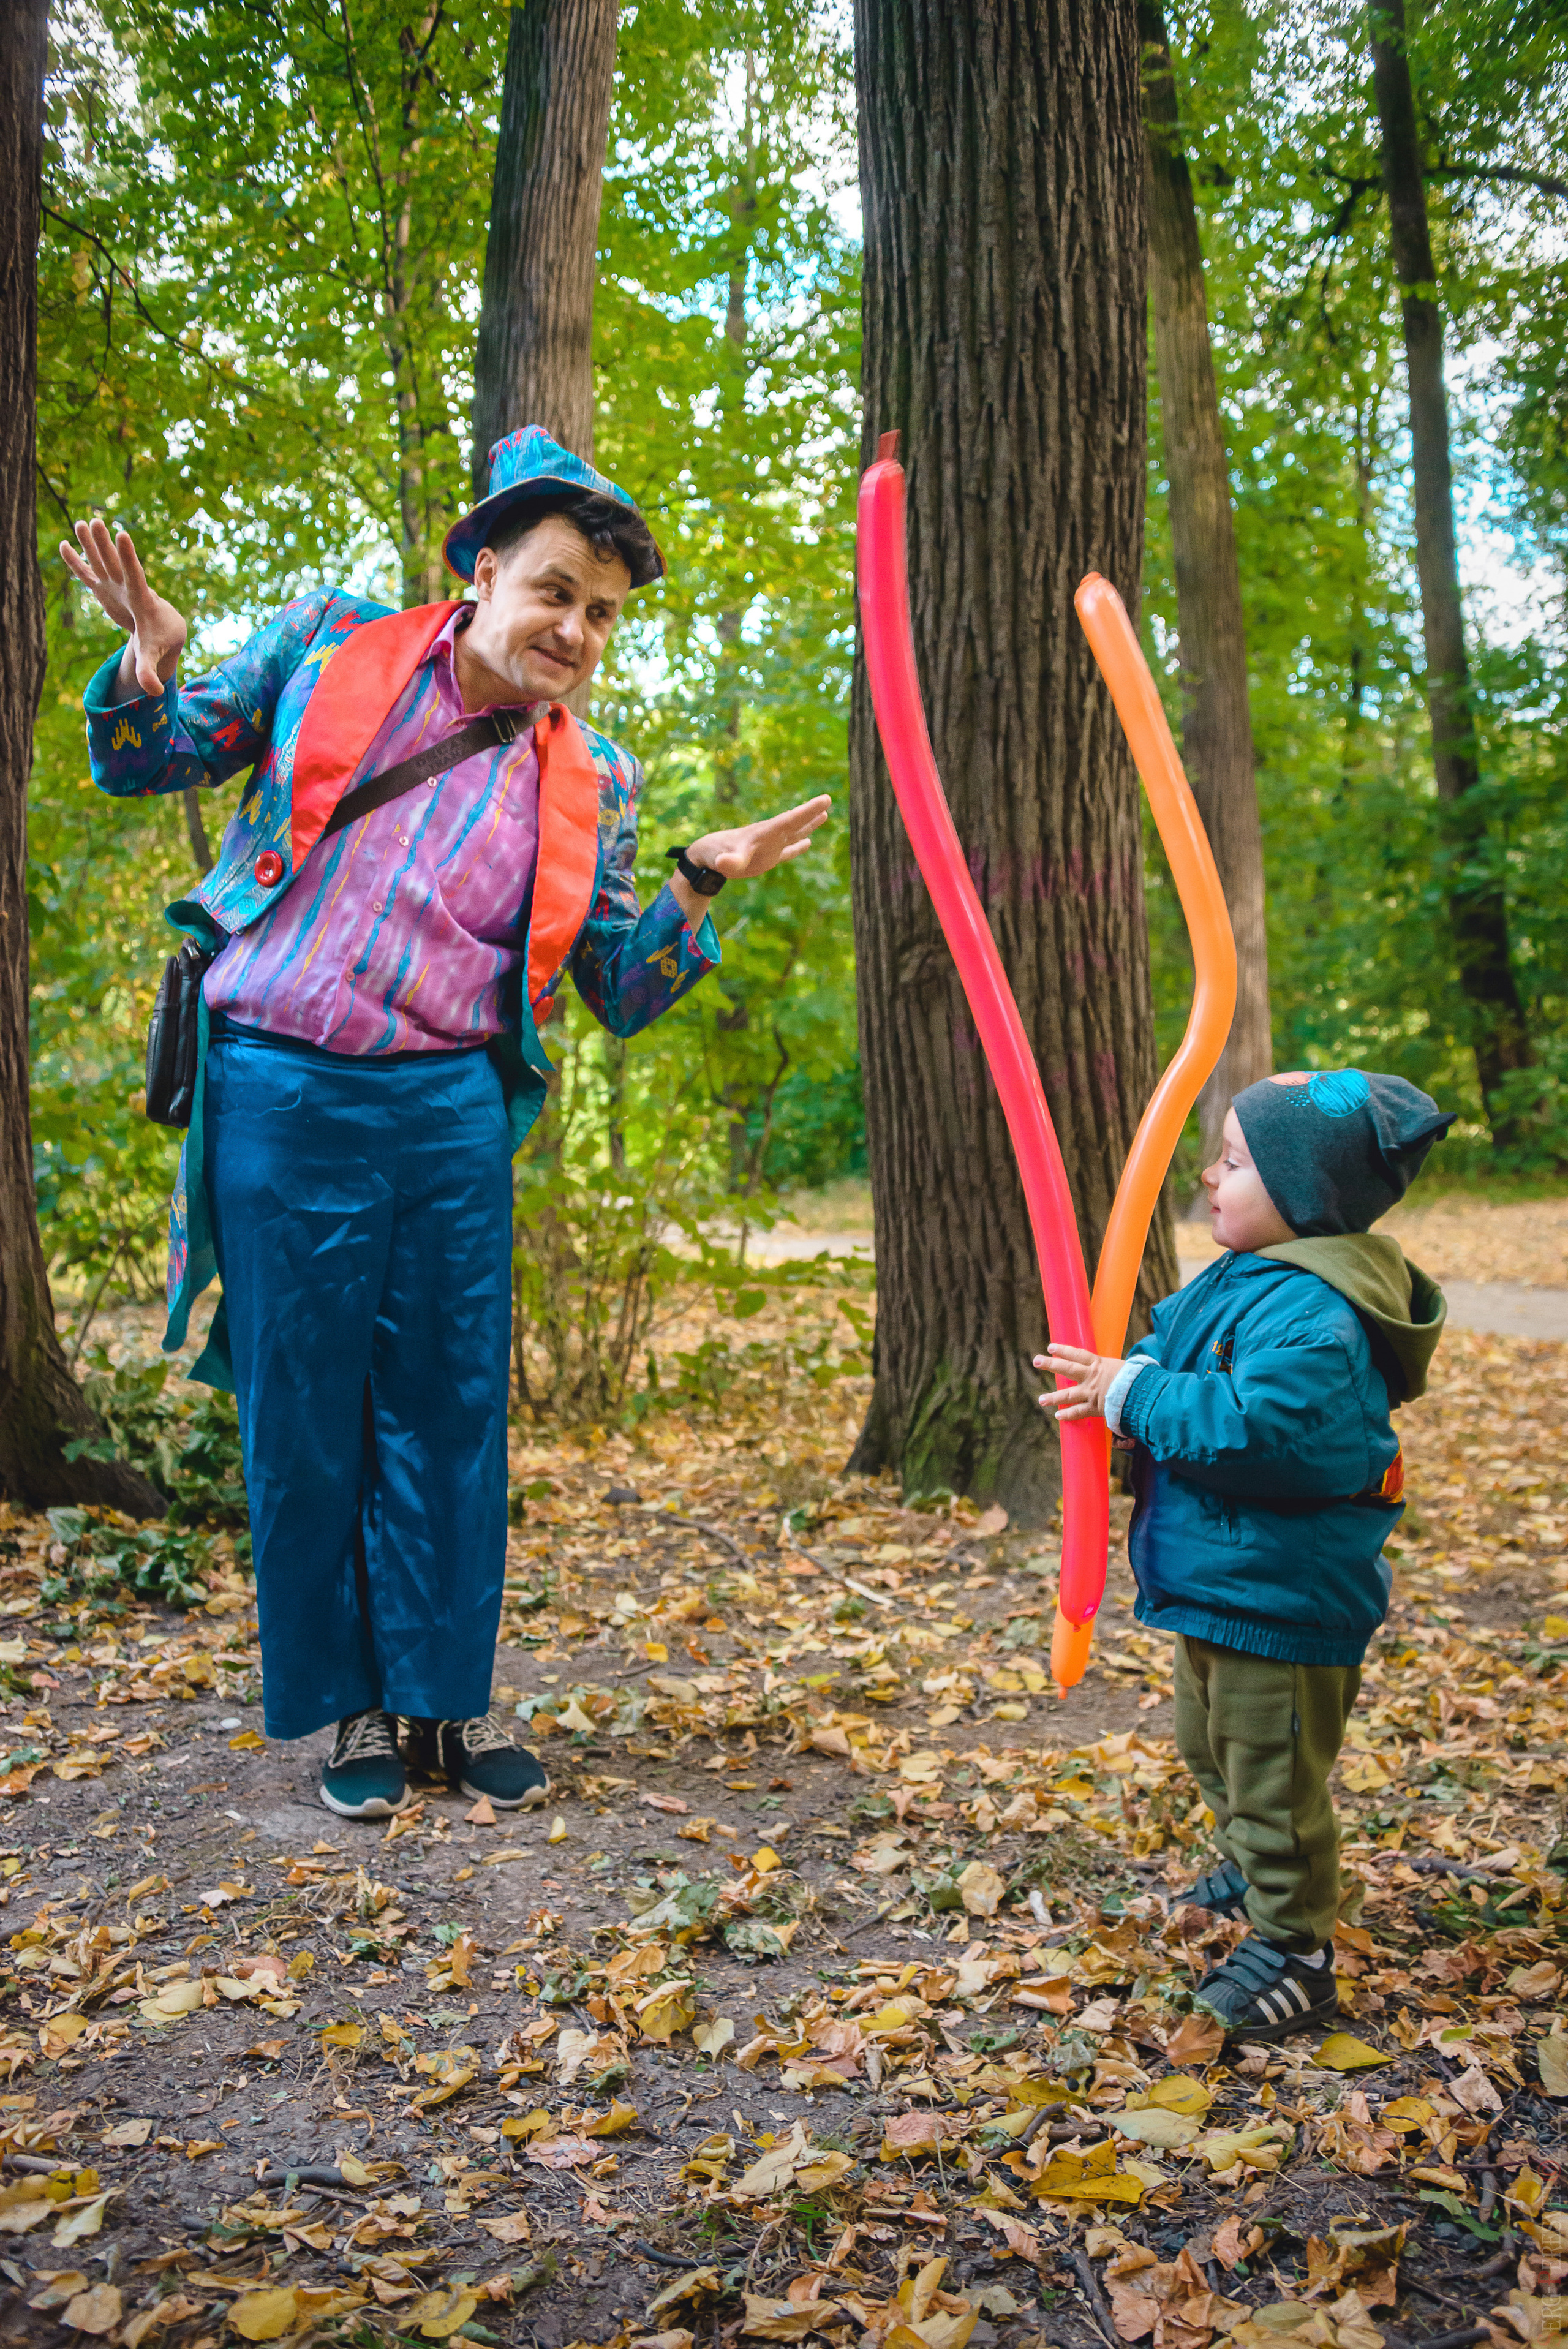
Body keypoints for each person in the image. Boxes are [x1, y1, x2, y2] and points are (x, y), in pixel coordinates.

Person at [66, 426, 830, 1823]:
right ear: (482, 570)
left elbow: (616, 986)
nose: (576, 630)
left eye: (600, 613)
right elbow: (142, 761)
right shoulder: (328, 645)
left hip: (450, 1115)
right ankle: (349, 1704)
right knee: (310, 1415)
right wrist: (150, 658)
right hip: (286, 1094)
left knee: (453, 1412)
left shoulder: (596, 773)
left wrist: (699, 890)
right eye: (553, 591)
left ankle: (441, 1702)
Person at [1039, 1069, 1451, 2040]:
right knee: (1213, 1748)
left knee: (1272, 1775)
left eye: (1233, 1162)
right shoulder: (1246, 1280)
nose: (1210, 1176)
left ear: (1304, 1198)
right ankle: (1263, 1863)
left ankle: (1297, 1950)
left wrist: (1134, 1400)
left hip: (1281, 1598)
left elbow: (1257, 1432)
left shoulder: (1321, 1321)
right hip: (1221, 1580)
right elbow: (1175, 1365)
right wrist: (1130, 1393)